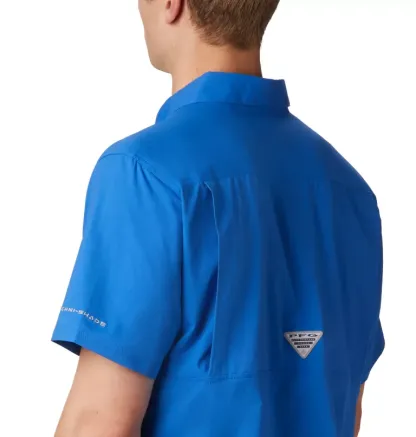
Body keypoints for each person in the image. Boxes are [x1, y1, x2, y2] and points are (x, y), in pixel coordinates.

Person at [52, 1, 384, 436]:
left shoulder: (147, 172)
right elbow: (347, 407)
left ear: (172, 4)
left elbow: (98, 422)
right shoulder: (350, 190)